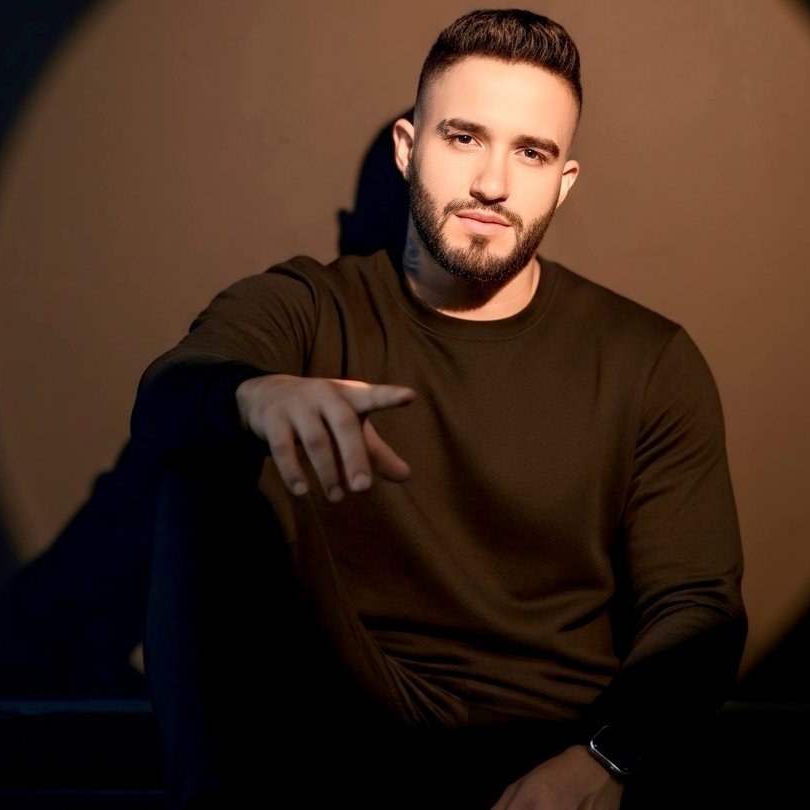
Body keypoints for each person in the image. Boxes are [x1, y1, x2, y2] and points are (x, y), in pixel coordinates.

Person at [131, 9, 747, 809]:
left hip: (550, 746)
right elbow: (169, 396)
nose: (493, 183)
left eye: (531, 152)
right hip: (341, 737)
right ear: (408, 147)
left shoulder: (648, 359)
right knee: (208, 454)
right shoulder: (310, 307)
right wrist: (259, 394)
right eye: (463, 137)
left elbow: (696, 606)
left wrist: (602, 760)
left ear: (563, 182)